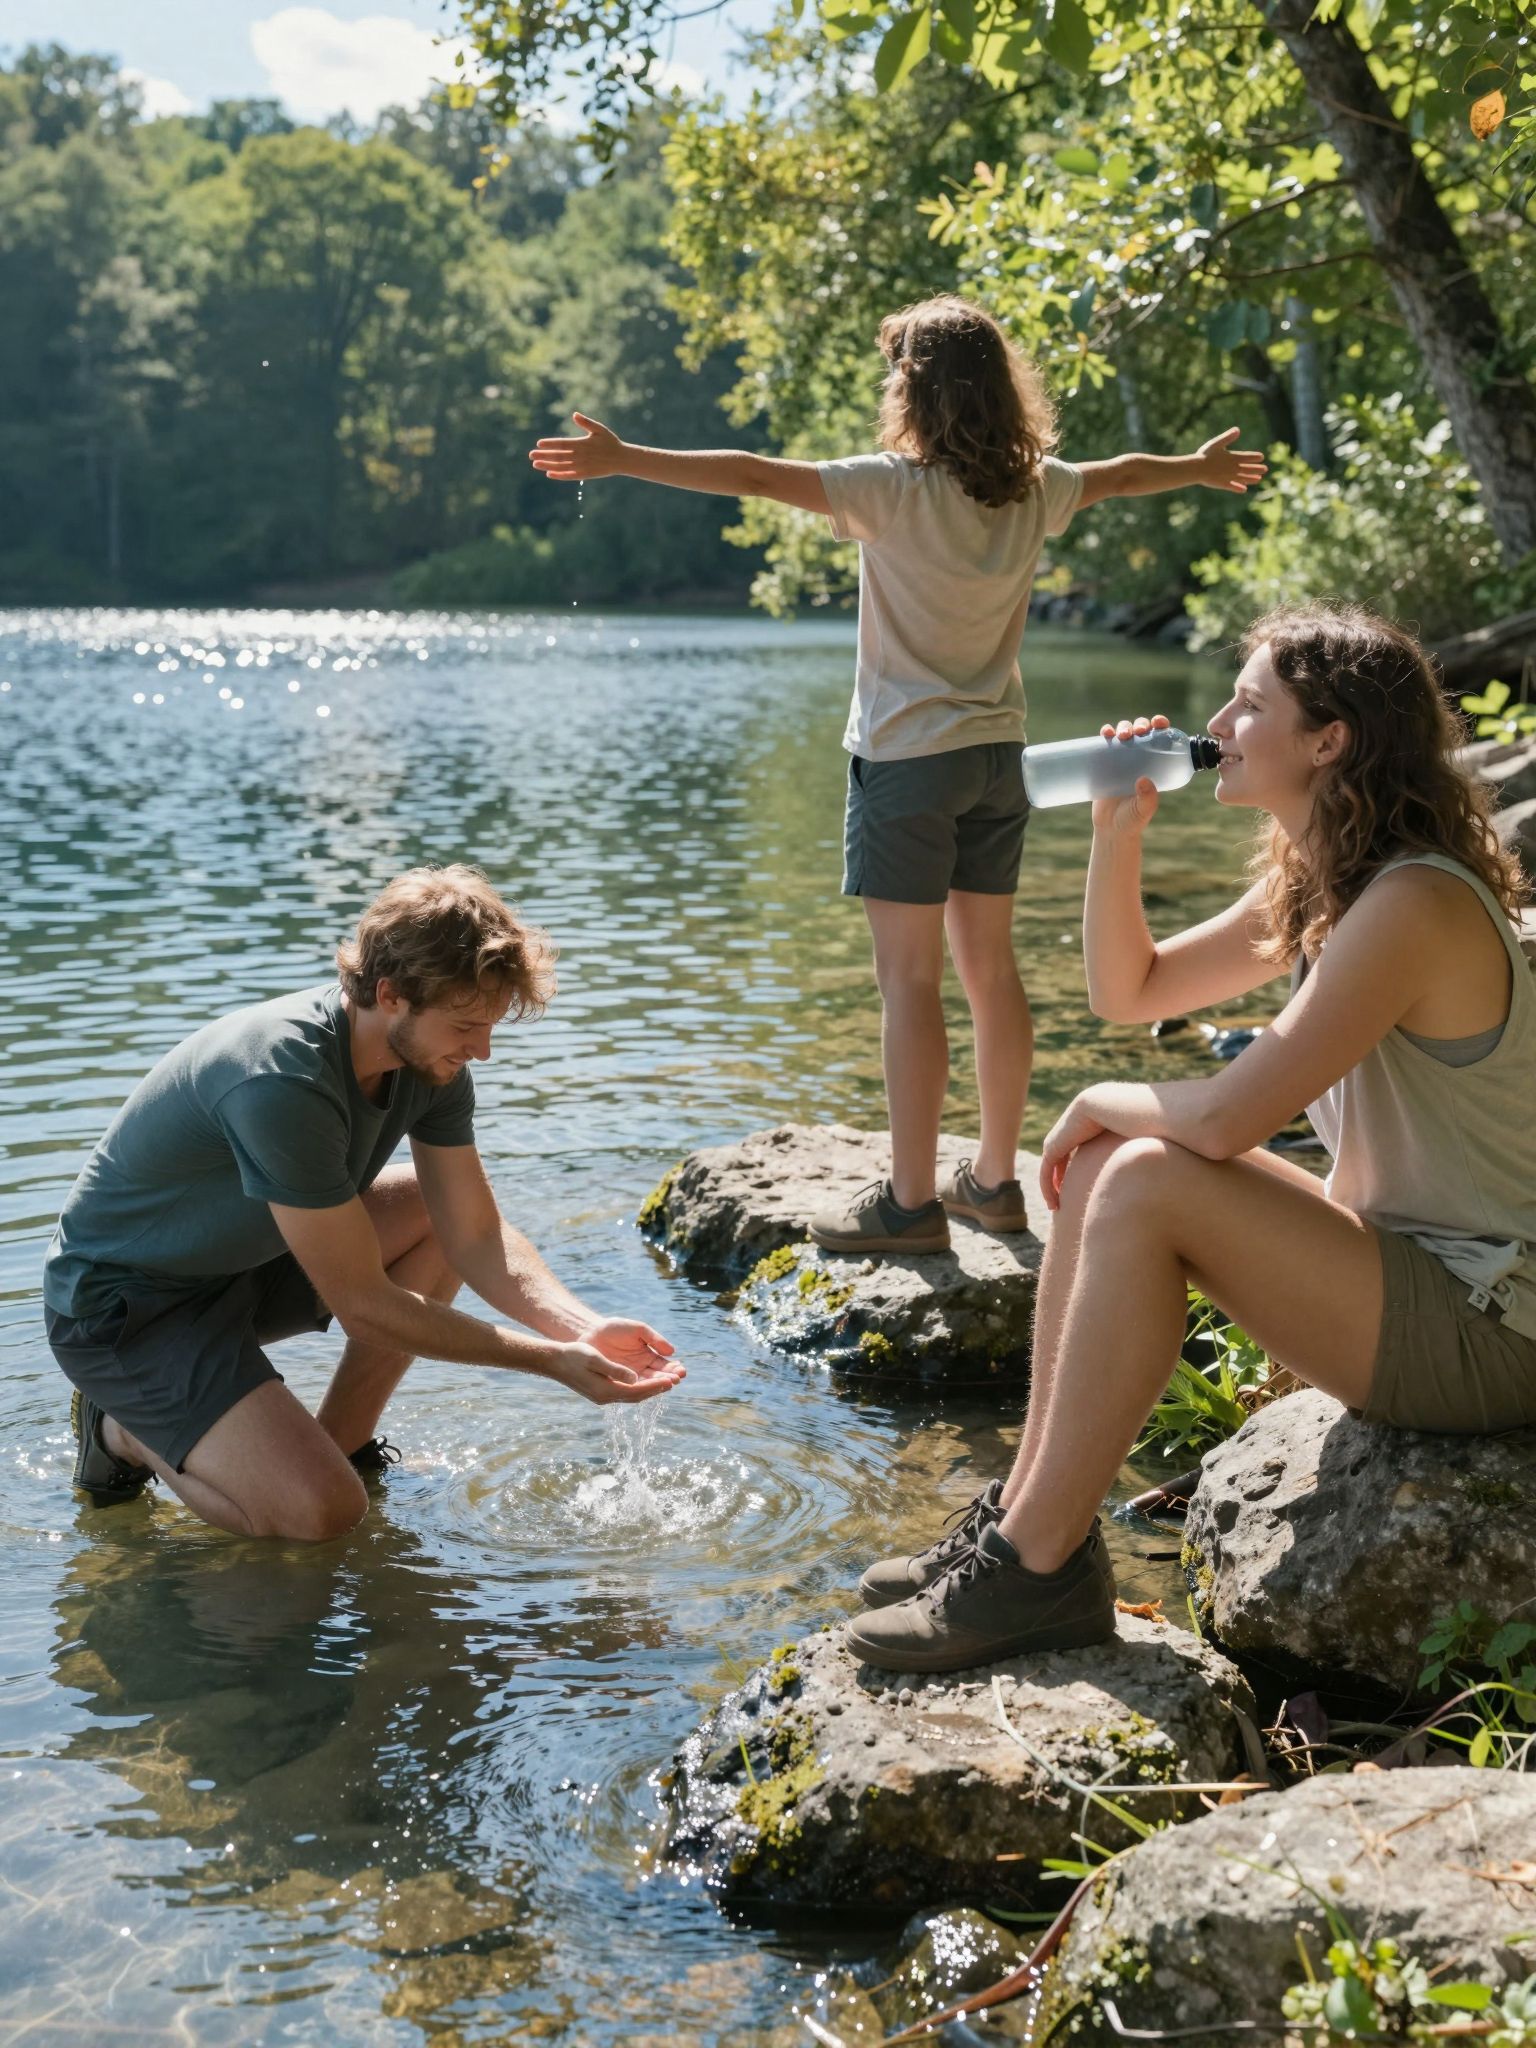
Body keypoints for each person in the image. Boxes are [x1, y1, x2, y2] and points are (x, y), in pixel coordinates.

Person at [848, 601, 1536, 1671]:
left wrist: (1101, 1099)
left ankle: (1037, 1572)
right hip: (1419, 1276)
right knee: (1124, 1162)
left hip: (1490, 1324)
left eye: (1250, 702)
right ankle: (1029, 1517)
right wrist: (1115, 836)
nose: (1217, 716)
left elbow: (1224, 1118)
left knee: (1146, 1173)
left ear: (1330, 740)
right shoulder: (1327, 887)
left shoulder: (1410, 905)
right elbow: (1134, 989)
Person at [529, 295, 1266, 1255]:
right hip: (1000, 763)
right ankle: (997, 1184)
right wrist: (1198, 470)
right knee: (992, 973)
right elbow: (1124, 476)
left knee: (908, 984)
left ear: (913, 393)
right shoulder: (1036, 487)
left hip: (906, 764)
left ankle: (910, 1204)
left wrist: (628, 459)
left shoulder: (892, 489)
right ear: (1002, 392)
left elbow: (751, 474)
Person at [46, 865, 683, 1541]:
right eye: (468, 1025)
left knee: (430, 1219)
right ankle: (126, 1431)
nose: (484, 1050)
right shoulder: (281, 1080)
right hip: (126, 1311)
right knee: (322, 1516)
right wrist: (546, 1362)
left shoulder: (434, 1064)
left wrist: (579, 1328)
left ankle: (341, 1444)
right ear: (391, 994)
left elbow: (472, 1231)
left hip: (250, 1260)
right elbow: (366, 1306)